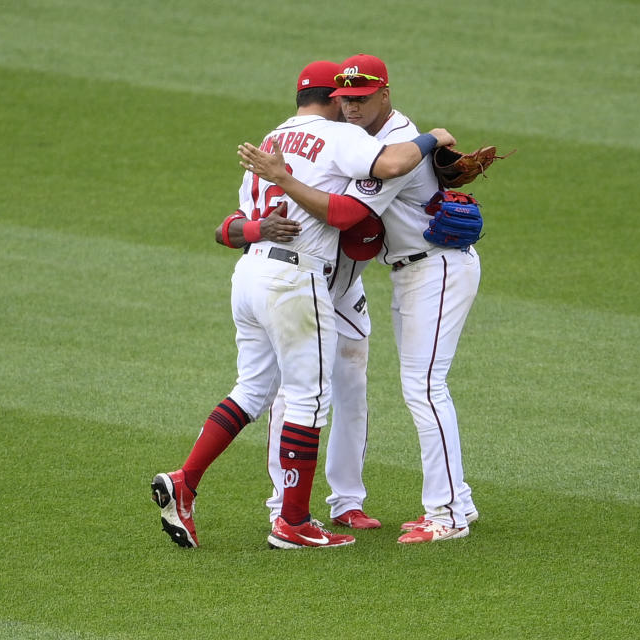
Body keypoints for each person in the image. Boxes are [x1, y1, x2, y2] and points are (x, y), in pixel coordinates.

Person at [151, 59, 455, 550]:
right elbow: (391, 167)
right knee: (310, 399)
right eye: (346, 99)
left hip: (249, 272)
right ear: (334, 99)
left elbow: (230, 224)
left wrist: (257, 230)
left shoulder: (270, 140)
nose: (352, 107)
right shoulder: (339, 136)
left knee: (251, 391)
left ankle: (185, 480)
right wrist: (432, 138)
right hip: (296, 278)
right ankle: (292, 523)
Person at [238, 54, 481, 544]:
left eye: (362, 98)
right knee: (341, 383)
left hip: (434, 268)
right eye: (345, 98)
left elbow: (347, 212)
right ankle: (308, 505)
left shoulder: (394, 144)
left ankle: (451, 512)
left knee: (425, 387)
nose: (350, 107)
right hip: (390, 274)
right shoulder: (360, 140)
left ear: (384, 94)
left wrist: (434, 136)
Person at [216, 204, 383, 531]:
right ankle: (283, 504)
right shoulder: (288, 172)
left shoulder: (371, 165)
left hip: (343, 289)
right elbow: (225, 230)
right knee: (291, 393)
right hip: (295, 283)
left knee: (352, 387)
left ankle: (347, 501)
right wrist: (259, 228)